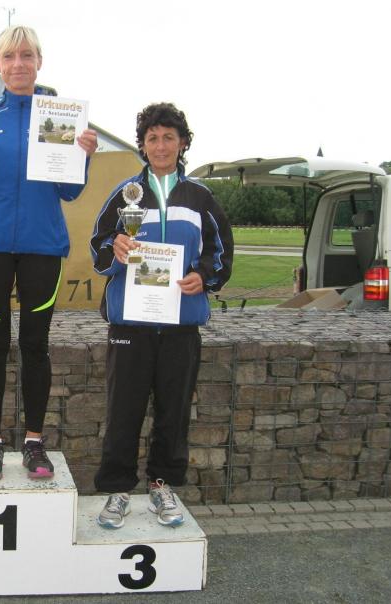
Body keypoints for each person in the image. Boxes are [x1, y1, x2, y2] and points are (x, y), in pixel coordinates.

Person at [0, 25, 98, 481]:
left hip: (43, 245)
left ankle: (35, 443)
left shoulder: (58, 116)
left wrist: (82, 156)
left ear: (39, 62)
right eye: (9, 56)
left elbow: (69, 192)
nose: (18, 64)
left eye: (26, 55)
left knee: (36, 345)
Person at [89, 102, 233, 529]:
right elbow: (98, 249)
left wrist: (202, 276)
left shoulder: (200, 197)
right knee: (123, 410)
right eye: (152, 138)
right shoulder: (125, 194)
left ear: (182, 142)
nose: (161, 145)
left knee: (174, 410)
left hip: (181, 325)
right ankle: (117, 490)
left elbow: (220, 252)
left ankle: (162, 486)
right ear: (143, 145)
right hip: (130, 325)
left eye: (169, 137)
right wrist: (115, 248)